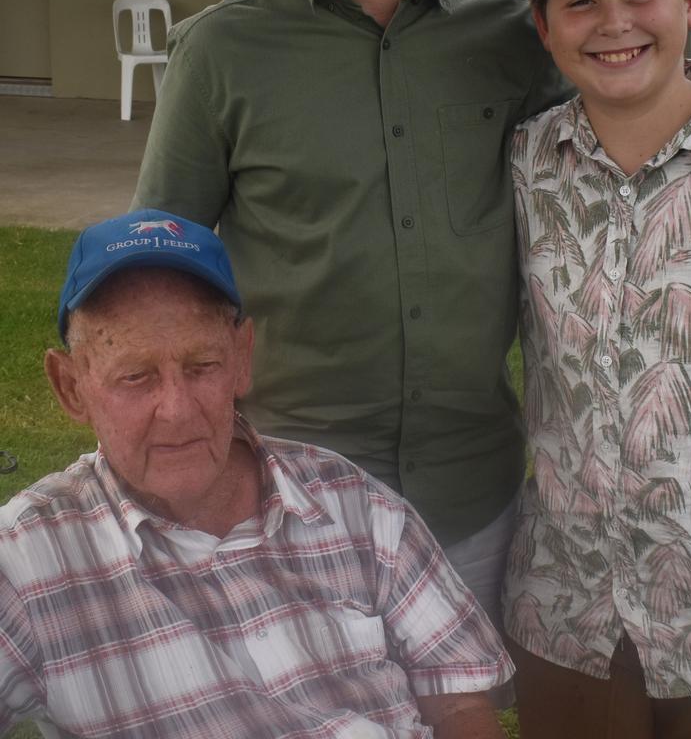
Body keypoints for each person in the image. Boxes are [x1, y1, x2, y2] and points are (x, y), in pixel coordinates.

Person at [131, 0, 571, 617]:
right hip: (293, 505)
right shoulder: (220, 52)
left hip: (475, 501)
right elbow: (158, 270)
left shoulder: (517, 42)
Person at [0, 209, 512, 739]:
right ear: (71, 387)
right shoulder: (27, 559)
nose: (177, 409)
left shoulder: (355, 503)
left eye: (202, 366)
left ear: (242, 358)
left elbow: (457, 702)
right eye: (135, 376)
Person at [503, 0, 691, 738]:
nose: (614, 23)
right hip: (569, 605)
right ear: (546, 28)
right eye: (581, 2)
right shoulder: (525, 164)